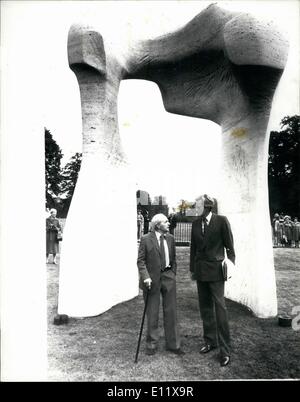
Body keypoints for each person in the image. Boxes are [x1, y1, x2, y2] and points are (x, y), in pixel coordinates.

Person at [190, 194, 235, 367]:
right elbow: (193, 249)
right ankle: (210, 341)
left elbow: (230, 248)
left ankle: (225, 350)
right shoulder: (195, 224)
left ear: (207, 206)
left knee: (220, 309)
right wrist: (193, 270)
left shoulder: (221, 221)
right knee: (205, 308)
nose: (195, 208)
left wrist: (230, 265)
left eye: (198, 205)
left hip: (216, 272)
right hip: (201, 271)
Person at [137, 213, 184, 356]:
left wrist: (172, 273)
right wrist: (146, 277)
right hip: (151, 280)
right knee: (152, 312)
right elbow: (141, 261)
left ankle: (174, 344)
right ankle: (151, 344)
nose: (169, 223)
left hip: (168, 277)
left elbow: (174, 258)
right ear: (158, 225)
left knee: (171, 312)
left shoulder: (170, 238)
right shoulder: (146, 239)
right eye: (166, 222)